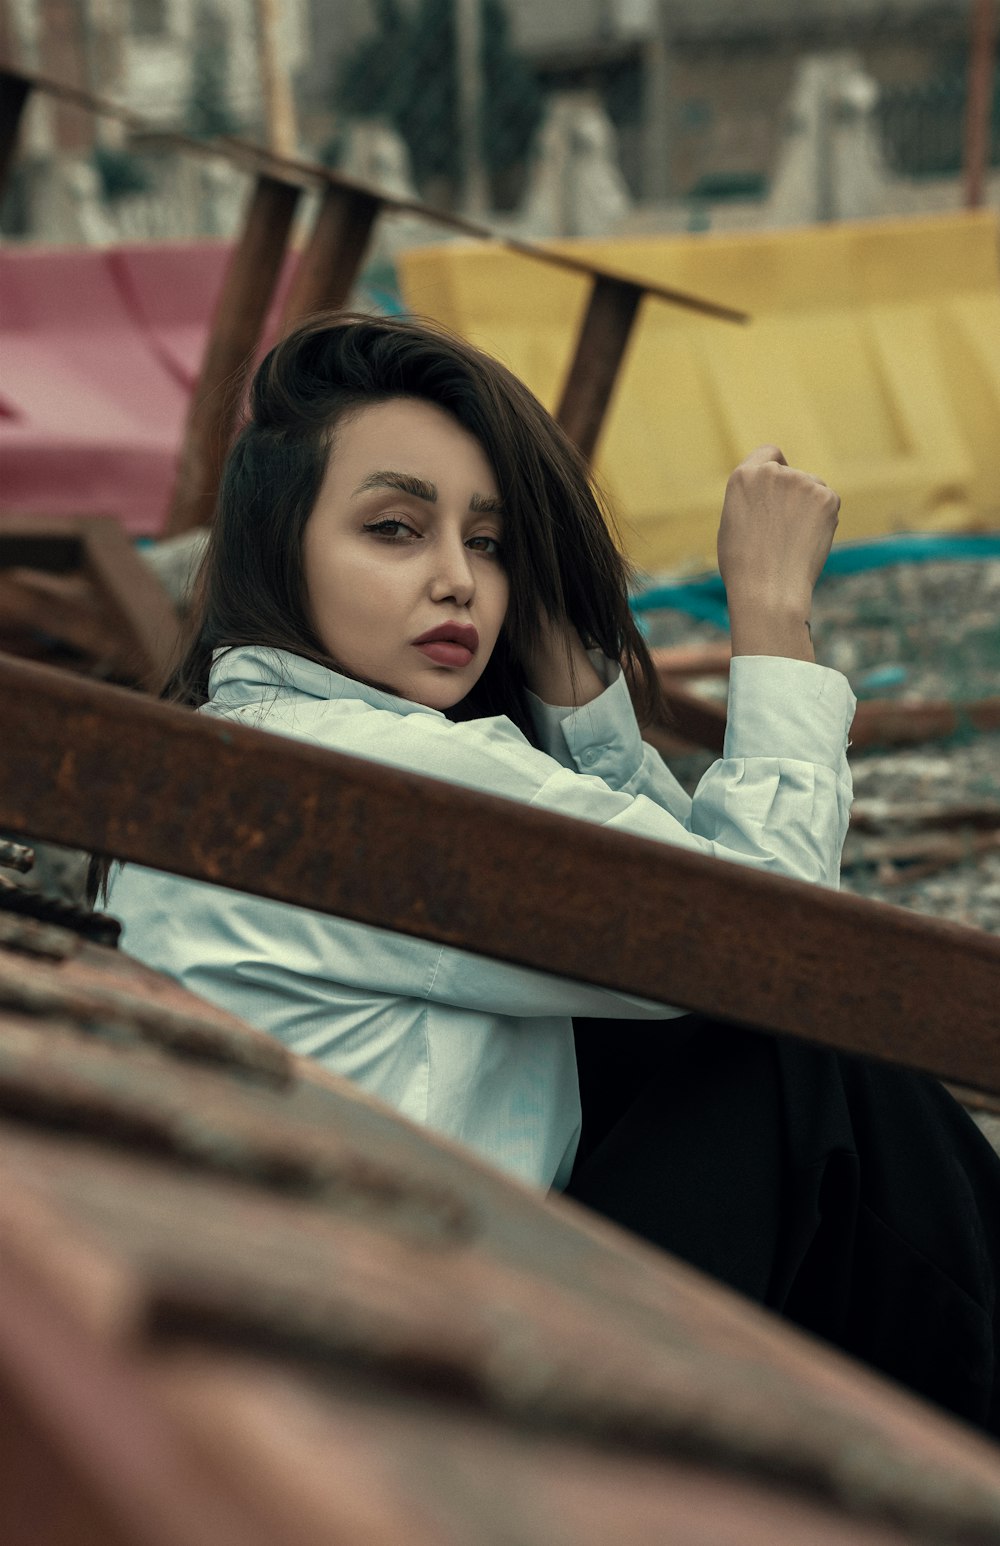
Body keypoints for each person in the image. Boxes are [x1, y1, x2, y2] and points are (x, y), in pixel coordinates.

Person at [103, 312, 1000, 1437]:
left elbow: (675, 897)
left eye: (487, 543)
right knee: (796, 1065)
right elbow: (778, 948)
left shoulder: (254, 746)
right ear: (281, 543)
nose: (457, 581)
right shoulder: (374, 784)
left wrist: (574, 691)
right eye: (394, 528)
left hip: (335, 1332)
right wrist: (769, 615)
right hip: (419, 1389)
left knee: (714, 1037)